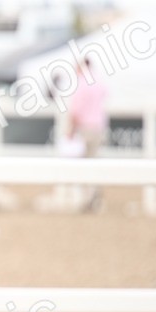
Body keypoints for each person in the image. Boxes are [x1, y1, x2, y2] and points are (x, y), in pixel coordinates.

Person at [66, 55, 109, 212]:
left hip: (85, 128)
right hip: (99, 127)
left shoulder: (82, 84)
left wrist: (70, 130)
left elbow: (75, 111)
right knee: (95, 163)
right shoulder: (98, 81)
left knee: (82, 166)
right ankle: (95, 200)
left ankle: (85, 199)